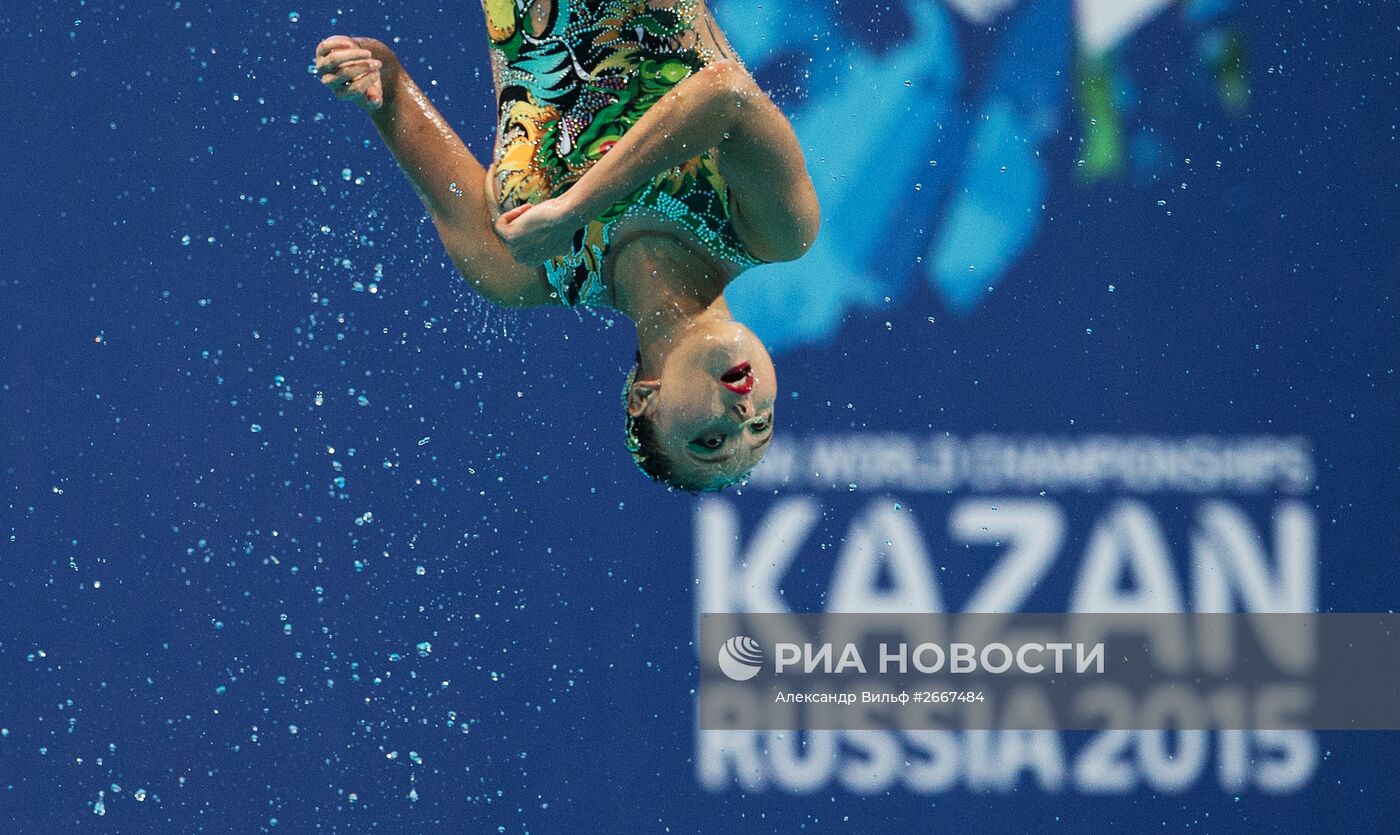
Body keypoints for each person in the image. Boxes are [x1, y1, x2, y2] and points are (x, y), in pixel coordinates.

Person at [313, 0, 819, 490]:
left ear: (645, 399)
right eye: (762, 427)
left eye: (710, 440)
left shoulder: (520, 272)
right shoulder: (771, 230)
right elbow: (725, 94)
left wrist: (368, 73)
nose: (744, 414)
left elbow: (392, 86)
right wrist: (572, 209)